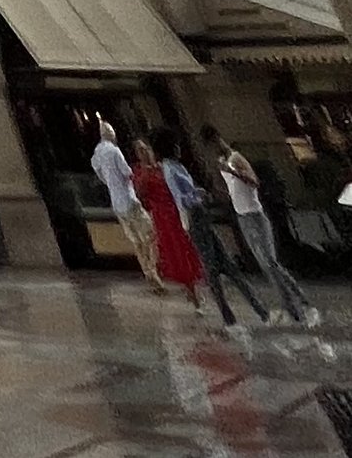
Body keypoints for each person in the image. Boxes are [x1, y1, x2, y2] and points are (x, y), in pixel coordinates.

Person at [216, 131, 321, 325]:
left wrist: (234, 172)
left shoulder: (236, 158)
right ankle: (293, 302)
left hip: (255, 215)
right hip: (242, 216)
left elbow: (254, 181)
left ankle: (296, 304)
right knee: (267, 264)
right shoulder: (221, 162)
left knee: (271, 262)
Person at [155, 130, 256, 321]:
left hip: (198, 215)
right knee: (212, 265)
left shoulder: (176, 166)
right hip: (195, 217)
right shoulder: (171, 169)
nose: (179, 148)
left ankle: (243, 308)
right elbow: (182, 197)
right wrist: (197, 196)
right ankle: (229, 311)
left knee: (220, 263)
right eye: (176, 145)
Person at [130, 137, 207, 307]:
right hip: (162, 216)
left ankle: (194, 284)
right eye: (140, 151)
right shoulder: (141, 172)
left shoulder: (165, 168)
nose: (145, 153)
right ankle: (190, 289)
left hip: (175, 211)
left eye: (146, 149)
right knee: (176, 252)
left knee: (188, 248)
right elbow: (141, 194)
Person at [89, 114, 162, 284]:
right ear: (110, 133)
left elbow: (98, 171)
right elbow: (127, 172)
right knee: (150, 234)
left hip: (116, 202)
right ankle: (152, 269)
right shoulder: (114, 150)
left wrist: (108, 181)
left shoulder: (97, 153)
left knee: (135, 240)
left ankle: (146, 270)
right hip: (129, 199)